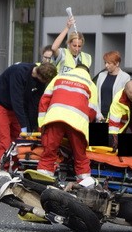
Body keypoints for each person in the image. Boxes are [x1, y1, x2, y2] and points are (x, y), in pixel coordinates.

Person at [0, 50, 57, 168]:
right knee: (3, 143)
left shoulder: (40, 80)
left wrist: (33, 128)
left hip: (15, 108)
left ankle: (16, 171)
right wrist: (24, 126)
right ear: (40, 76)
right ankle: (1, 173)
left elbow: (34, 105)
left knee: (20, 143)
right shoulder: (19, 72)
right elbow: (17, 101)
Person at [36, 59, 98, 187]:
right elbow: (92, 111)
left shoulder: (60, 76)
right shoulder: (91, 84)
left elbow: (44, 101)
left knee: (49, 152)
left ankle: (41, 181)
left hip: (55, 117)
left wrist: (42, 125)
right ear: (87, 72)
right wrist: (85, 129)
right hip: (77, 122)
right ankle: (85, 184)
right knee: (80, 156)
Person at [92, 51, 130, 122]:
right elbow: (95, 97)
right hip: (99, 117)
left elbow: (125, 100)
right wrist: (98, 114)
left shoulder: (125, 77)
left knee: (112, 133)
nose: (106, 65)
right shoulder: (101, 75)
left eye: (109, 63)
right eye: (105, 63)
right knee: (95, 133)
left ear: (117, 64)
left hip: (116, 118)